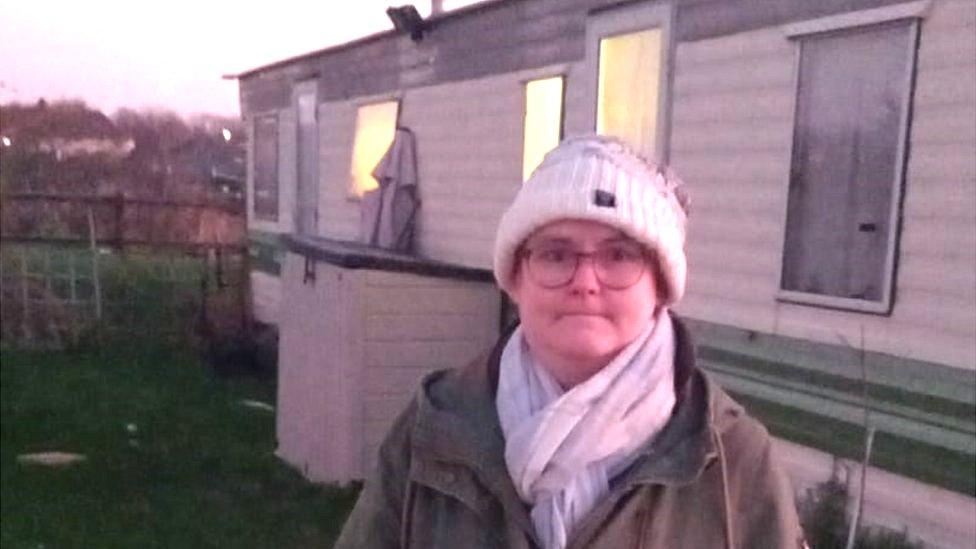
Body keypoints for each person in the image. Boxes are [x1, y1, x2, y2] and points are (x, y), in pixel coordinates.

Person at [335, 135, 805, 548]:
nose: (585, 281)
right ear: (515, 277)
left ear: (660, 286)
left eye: (619, 255)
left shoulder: (731, 458)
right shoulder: (432, 430)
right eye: (556, 254)